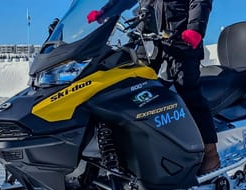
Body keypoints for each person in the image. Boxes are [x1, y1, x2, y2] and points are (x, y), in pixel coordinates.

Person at [89, 0, 219, 175]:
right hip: (148, 40)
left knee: (187, 90)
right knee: (130, 89)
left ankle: (210, 153)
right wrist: (105, 12)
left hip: (182, 40)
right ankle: (130, 153)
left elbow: (200, 2)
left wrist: (195, 29)